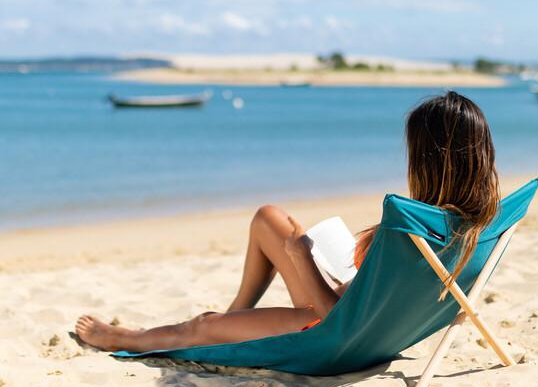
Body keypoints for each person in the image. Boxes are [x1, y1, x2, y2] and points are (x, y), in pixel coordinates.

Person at [75, 91, 500, 353]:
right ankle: (235, 320)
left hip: (340, 337)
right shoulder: (480, 226)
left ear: (427, 160)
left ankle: (122, 338)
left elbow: (334, 320)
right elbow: (387, 296)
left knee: (199, 325)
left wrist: (301, 258)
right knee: (269, 219)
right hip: (376, 324)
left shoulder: (407, 228)